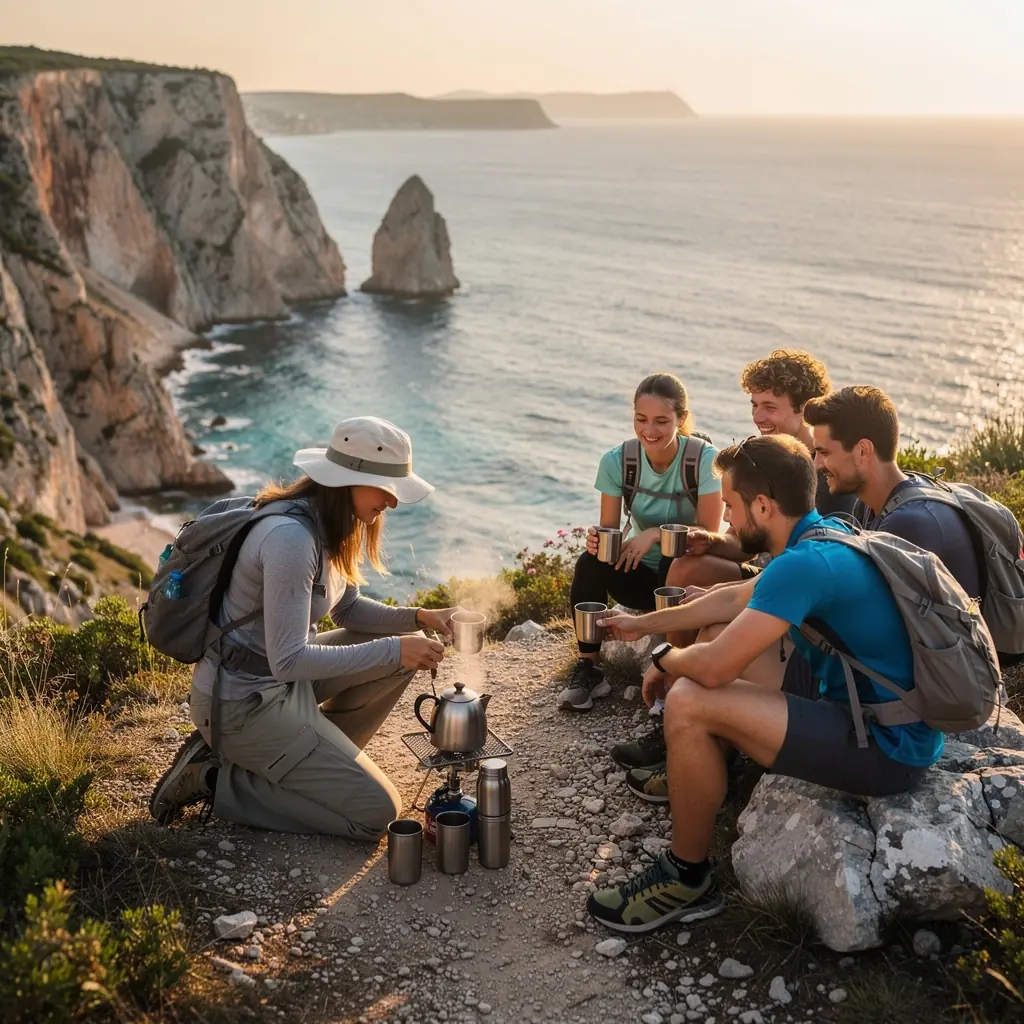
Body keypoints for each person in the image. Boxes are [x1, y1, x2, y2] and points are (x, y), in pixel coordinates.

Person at [586, 434, 942, 934]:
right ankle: (700, 773)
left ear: (762, 505)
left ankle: (688, 879)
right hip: (864, 706)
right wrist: (642, 626)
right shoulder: (825, 534)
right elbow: (734, 599)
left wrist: (664, 659)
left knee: (689, 698)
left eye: (730, 506)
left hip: (884, 746)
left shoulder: (803, 565)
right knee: (713, 637)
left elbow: (713, 670)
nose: (725, 519)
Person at [149, 417, 459, 839]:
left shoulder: (331, 525)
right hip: (241, 705)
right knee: (378, 813)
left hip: (281, 688)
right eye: (387, 488)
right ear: (349, 480)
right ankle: (215, 779)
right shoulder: (290, 539)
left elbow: (348, 611)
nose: (393, 503)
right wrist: (394, 649)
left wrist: (421, 618)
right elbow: (290, 659)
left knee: (409, 647)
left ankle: (315, 761)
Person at [609, 349, 854, 769]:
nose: (758, 417)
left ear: (806, 410)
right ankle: (669, 707)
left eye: (770, 407)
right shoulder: (765, 452)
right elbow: (754, 539)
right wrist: (712, 541)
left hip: (798, 601)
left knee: (714, 617)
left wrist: (726, 589)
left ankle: (689, 707)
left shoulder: (824, 470)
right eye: (754, 405)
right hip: (770, 575)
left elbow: (811, 566)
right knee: (686, 566)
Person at [558, 372, 723, 711]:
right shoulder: (618, 461)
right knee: (589, 562)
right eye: (641, 419)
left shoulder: (705, 461)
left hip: (686, 582)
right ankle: (590, 668)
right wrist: (597, 542)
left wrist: (655, 534)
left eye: (662, 420)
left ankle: (665, 666)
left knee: (671, 554)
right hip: (639, 578)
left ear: (682, 419)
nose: (649, 430)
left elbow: (711, 534)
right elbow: (610, 531)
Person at [803, 385, 982, 598]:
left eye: (824, 452)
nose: (817, 464)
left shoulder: (910, 523)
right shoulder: (870, 505)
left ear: (863, 451)